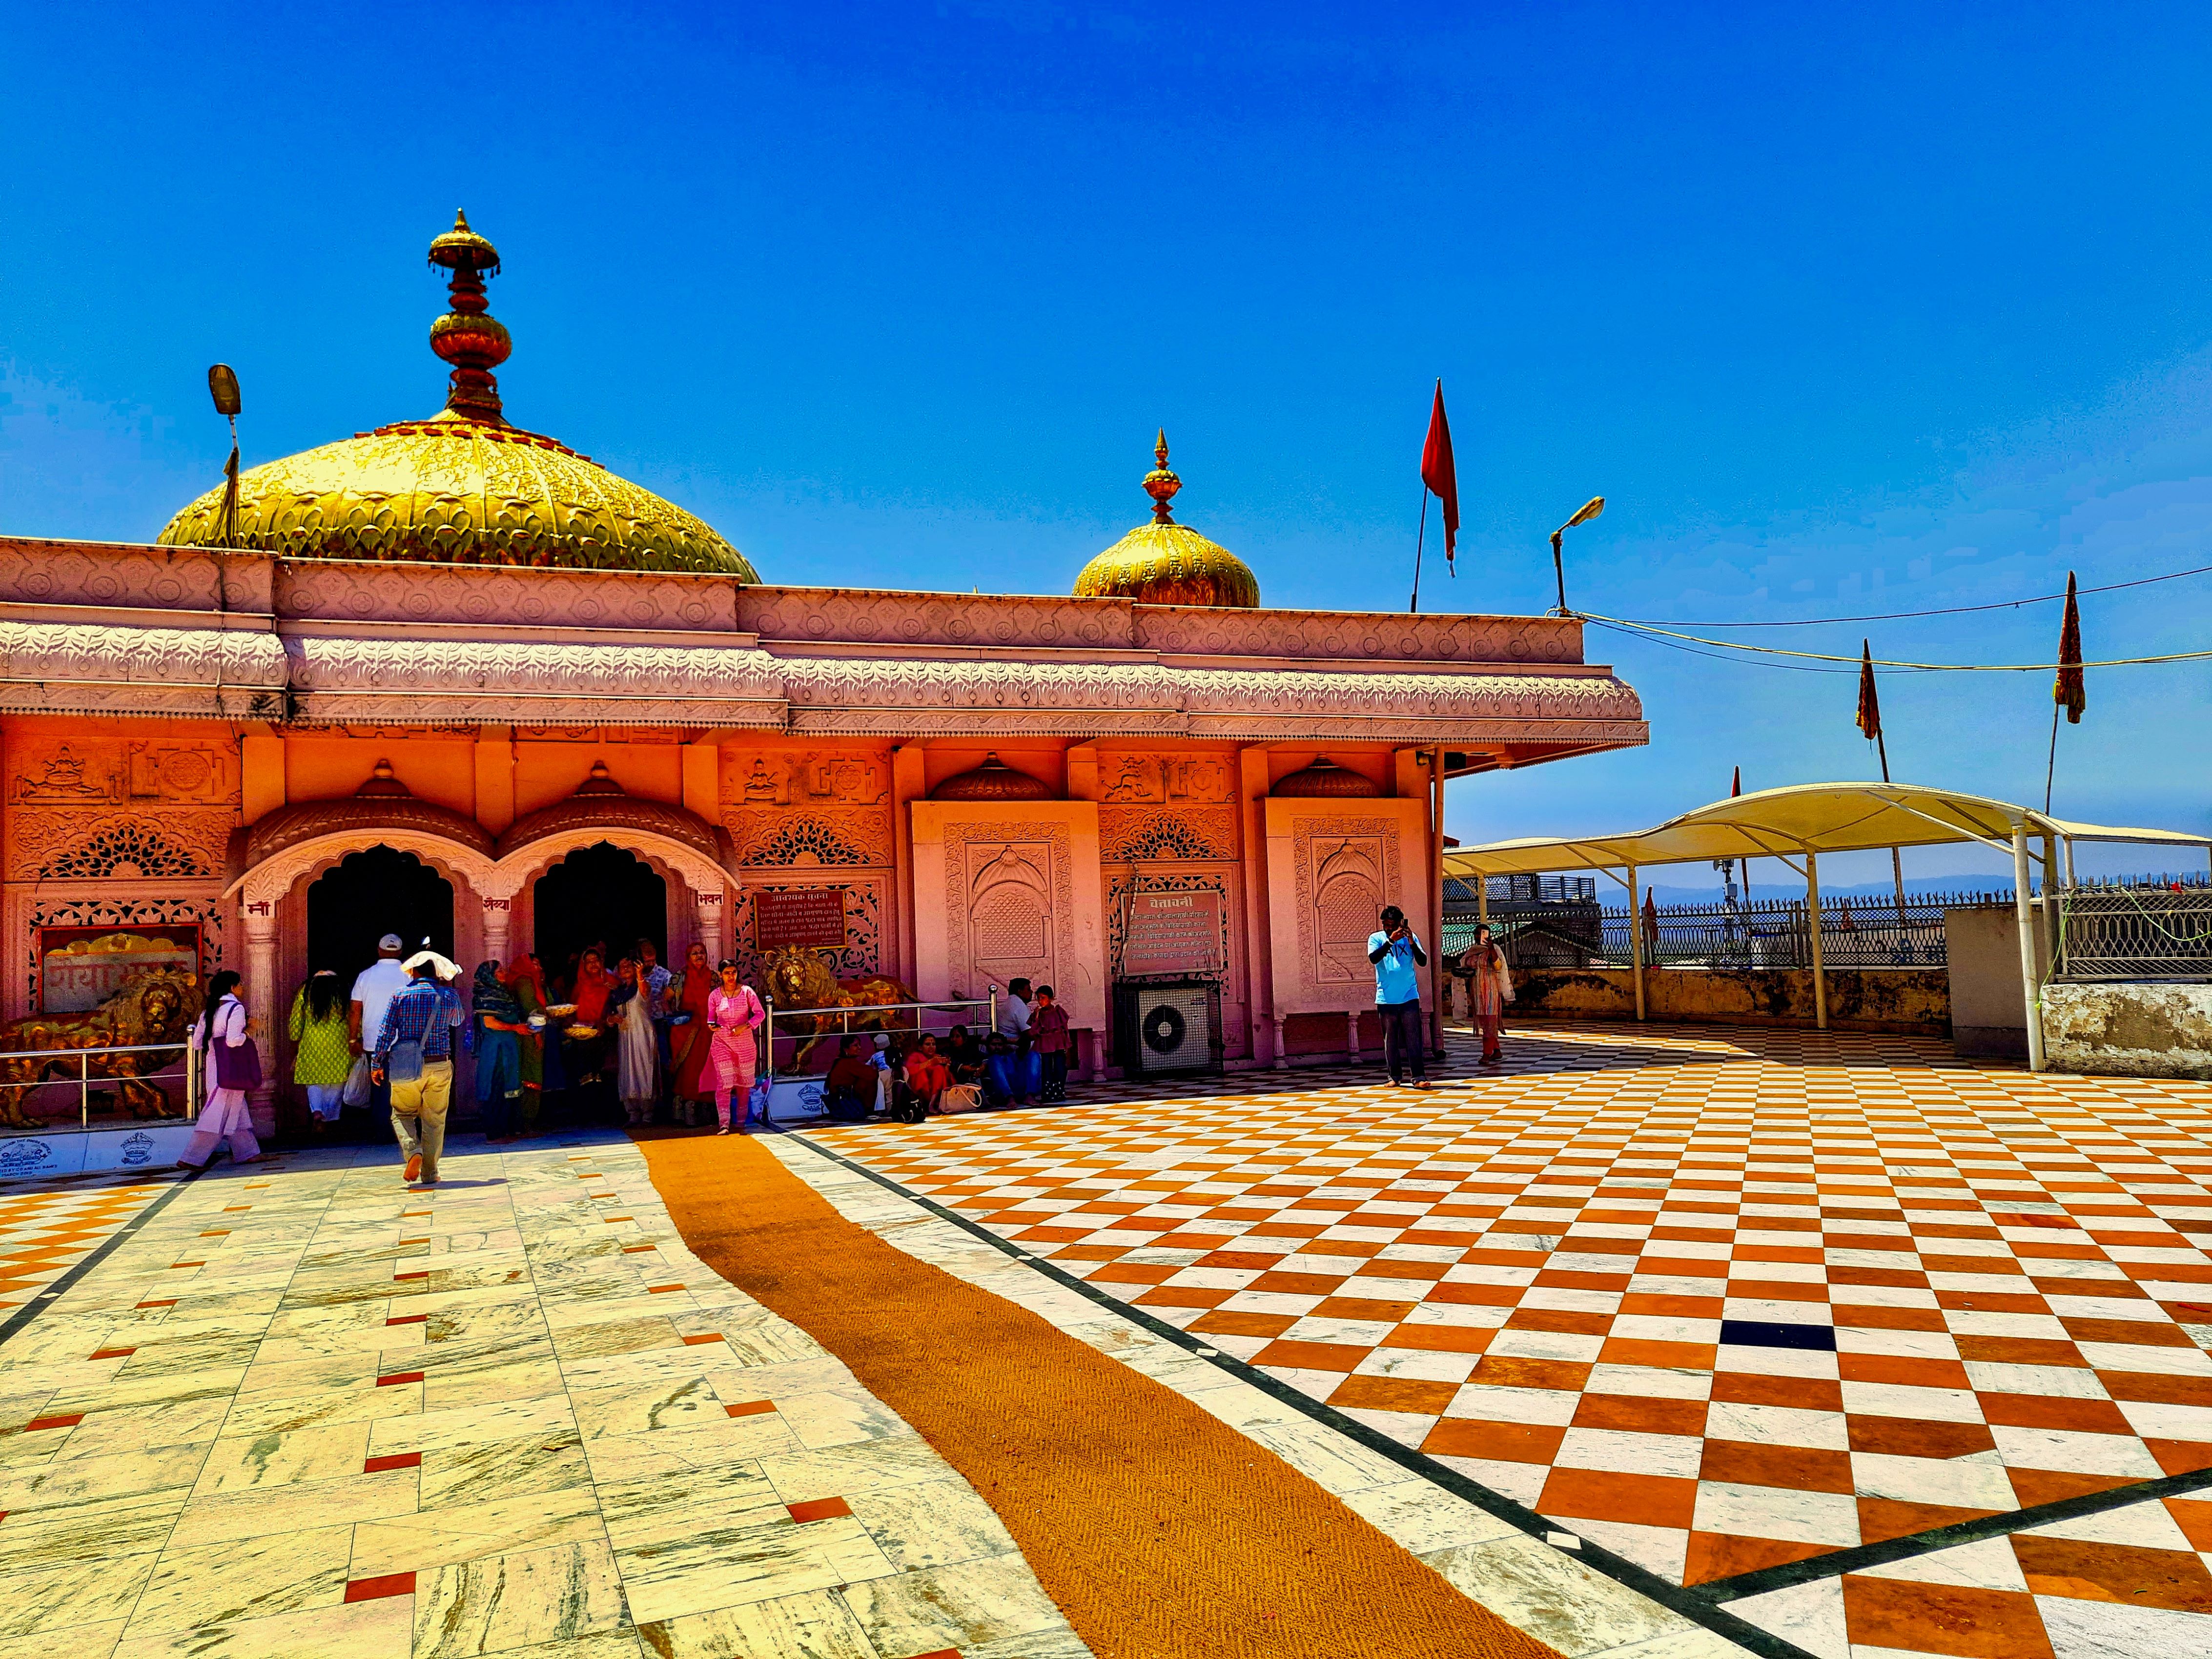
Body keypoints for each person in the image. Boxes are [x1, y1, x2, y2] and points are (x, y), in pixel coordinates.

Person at [374, 951, 460, 1185]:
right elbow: (458, 1020)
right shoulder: (449, 994)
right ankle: (430, 1173)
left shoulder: (400, 995)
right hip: (440, 1064)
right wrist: (448, 987)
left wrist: (377, 1063)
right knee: (434, 1121)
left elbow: (385, 1032)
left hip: (406, 1067)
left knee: (401, 1113)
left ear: (414, 971)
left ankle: (413, 1152)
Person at [181, 970, 261, 1170]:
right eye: (240, 983)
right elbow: (233, 1041)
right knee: (216, 1113)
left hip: (215, 1069)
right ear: (232, 988)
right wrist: (248, 1033)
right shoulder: (236, 1009)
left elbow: (198, 1044)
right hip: (231, 1069)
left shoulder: (208, 1011)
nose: (243, 986)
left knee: (237, 1110)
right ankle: (191, 1158)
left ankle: (248, 1153)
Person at [1367, 903, 1430, 1089]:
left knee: (1413, 1038)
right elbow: (1374, 959)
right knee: (1391, 1040)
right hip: (1386, 998)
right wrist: (1390, 941)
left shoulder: (1411, 938)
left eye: (1392, 925)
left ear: (1400, 924)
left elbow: (1423, 961)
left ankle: (1419, 1077)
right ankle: (1394, 1076)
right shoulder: (1376, 938)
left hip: (1409, 995)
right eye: (1386, 925)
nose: (1389, 929)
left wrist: (1410, 942)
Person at [349, 933, 411, 1114]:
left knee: (379, 1085)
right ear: (400, 952)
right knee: (403, 1086)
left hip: (374, 1041)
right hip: (404, 1040)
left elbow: (355, 1010)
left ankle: (382, 1130)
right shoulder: (410, 976)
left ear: (379, 950)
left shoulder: (365, 976)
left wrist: (353, 1039)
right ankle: (400, 1129)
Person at [704, 959, 766, 1134]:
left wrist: (745, 1026)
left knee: (744, 1085)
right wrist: (712, 1025)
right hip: (722, 1043)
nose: (731, 976)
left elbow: (760, 1014)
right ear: (721, 975)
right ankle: (724, 1124)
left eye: (734, 972)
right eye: (727, 973)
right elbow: (710, 1018)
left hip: (745, 1044)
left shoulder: (747, 992)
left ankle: (740, 1122)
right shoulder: (715, 995)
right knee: (724, 1084)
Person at [472, 960, 530, 1141]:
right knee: (497, 1087)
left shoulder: (504, 994)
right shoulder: (485, 996)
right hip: (497, 1050)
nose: (504, 973)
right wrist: (516, 1028)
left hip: (508, 1046)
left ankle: (510, 1129)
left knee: (511, 1086)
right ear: (490, 976)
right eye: (500, 971)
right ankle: (495, 1132)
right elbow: (490, 1023)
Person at [288, 968, 351, 1128]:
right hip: (339, 1041)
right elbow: (353, 1014)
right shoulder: (341, 990)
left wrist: (295, 1038)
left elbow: (297, 1018)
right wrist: (357, 1038)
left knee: (313, 1081)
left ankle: (317, 1110)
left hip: (312, 1041)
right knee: (337, 1082)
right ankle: (329, 1119)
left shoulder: (306, 990)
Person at [668, 942, 717, 1126]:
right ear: (688, 957)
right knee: (688, 1070)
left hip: (709, 1030)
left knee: (708, 1069)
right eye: (695, 953)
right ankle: (686, 1112)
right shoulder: (679, 977)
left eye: (702, 953)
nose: (699, 956)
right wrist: (674, 1018)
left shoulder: (714, 977)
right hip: (687, 1031)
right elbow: (667, 999)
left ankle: (707, 1111)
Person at [609, 957, 659, 1126]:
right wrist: (612, 1019)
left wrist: (640, 975)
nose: (626, 968)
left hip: (642, 1034)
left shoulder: (642, 986)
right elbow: (609, 1017)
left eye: (629, 965)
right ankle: (633, 1113)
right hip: (625, 1036)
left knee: (644, 1069)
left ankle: (648, 1114)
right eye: (622, 966)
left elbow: (644, 991)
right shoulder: (617, 993)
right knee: (628, 1071)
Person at [504, 954, 549, 1133]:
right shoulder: (525, 982)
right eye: (535, 964)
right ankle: (526, 1122)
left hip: (527, 1035)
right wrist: (536, 1034)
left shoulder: (532, 982)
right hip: (529, 1036)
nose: (539, 968)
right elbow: (531, 1010)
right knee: (531, 1076)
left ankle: (524, 1122)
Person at [1466, 923, 1515, 1066]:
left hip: (1490, 992)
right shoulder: (1473, 951)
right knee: (1485, 1021)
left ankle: (1487, 1053)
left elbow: (1498, 966)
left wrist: (1491, 948)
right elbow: (1466, 964)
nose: (1479, 936)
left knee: (1489, 1021)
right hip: (1477, 991)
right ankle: (1496, 1050)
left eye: (1483, 933)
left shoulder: (1494, 950)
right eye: (1477, 933)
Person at [636, 938, 675, 1114]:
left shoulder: (665, 975)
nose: (650, 962)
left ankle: (666, 1104)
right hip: (638, 1027)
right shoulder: (632, 973)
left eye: (652, 958)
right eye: (646, 958)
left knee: (664, 1062)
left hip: (659, 1024)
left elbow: (671, 1000)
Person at [994, 978, 1033, 1105]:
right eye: (1028, 989)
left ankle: (1028, 1095)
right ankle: (1024, 1095)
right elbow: (1029, 1034)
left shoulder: (1012, 1002)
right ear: (1020, 991)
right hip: (1013, 1050)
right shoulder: (1017, 1004)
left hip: (1015, 1050)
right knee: (1037, 1056)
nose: (1032, 992)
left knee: (1035, 1056)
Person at [1030, 984, 1071, 1103]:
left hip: (1058, 1042)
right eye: (1039, 998)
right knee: (1046, 1068)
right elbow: (1033, 1030)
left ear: (1051, 998)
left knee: (1060, 1067)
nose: (1040, 1001)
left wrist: (1066, 1043)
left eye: (1043, 998)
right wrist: (1036, 1017)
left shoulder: (1058, 1011)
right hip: (1044, 1043)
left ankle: (1059, 1092)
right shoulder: (1039, 1013)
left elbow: (1064, 1028)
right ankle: (1048, 1094)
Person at [825, 1034, 875, 1121]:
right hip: (846, 1102)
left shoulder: (842, 1062)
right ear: (846, 1049)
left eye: (859, 1045)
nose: (859, 1048)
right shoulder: (847, 1063)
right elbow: (872, 1075)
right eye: (856, 1046)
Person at [903, 1032, 952, 1111]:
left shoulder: (938, 1058)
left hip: (935, 1093)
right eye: (928, 1044)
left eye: (934, 1044)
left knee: (939, 1069)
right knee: (920, 1073)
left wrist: (947, 1066)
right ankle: (922, 1105)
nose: (931, 1047)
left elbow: (948, 1079)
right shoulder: (916, 1056)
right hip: (920, 1093)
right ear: (920, 1048)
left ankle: (932, 1104)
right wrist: (930, 1063)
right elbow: (909, 1070)